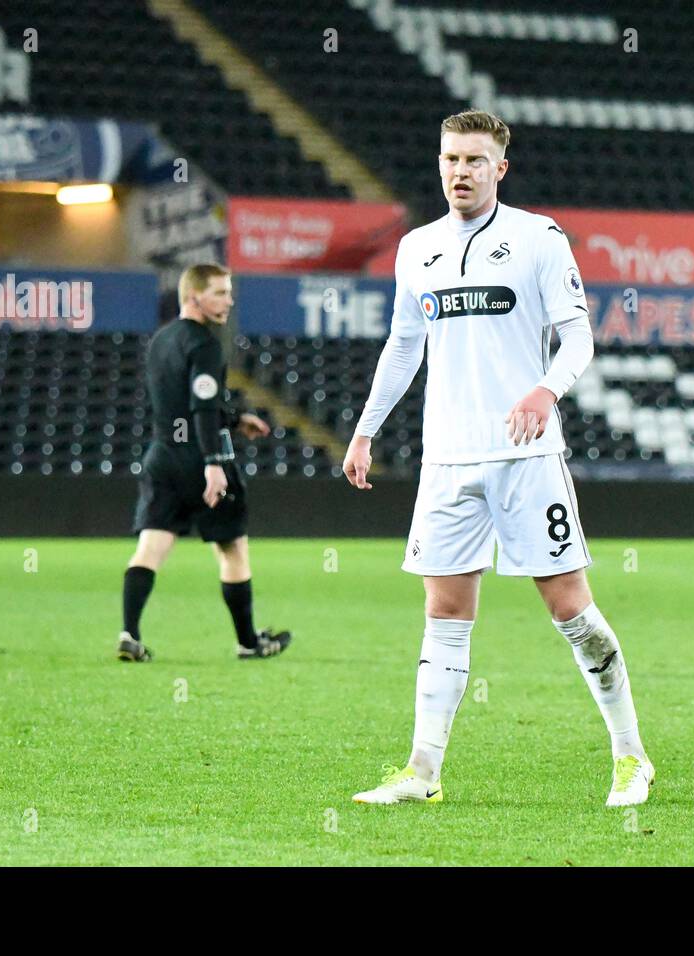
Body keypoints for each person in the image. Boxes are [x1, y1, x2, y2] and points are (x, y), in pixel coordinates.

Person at [342, 109, 651, 807]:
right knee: (444, 611)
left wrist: (546, 390)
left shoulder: (537, 237)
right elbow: (402, 346)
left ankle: (631, 756)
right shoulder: (416, 248)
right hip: (448, 461)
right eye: (451, 158)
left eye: (475, 161)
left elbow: (578, 338)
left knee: (570, 607)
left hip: (525, 456)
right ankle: (423, 771)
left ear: (499, 169)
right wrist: (366, 430)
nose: (460, 171)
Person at [117, 263, 292, 661]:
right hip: (200, 457)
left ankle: (130, 633)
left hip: (162, 456)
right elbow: (202, 407)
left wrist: (233, 418)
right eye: (220, 292)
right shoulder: (206, 344)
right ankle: (248, 642)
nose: (229, 300)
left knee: (151, 548)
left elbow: (182, 403)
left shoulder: (161, 340)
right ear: (194, 296)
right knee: (233, 551)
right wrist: (213, 462)